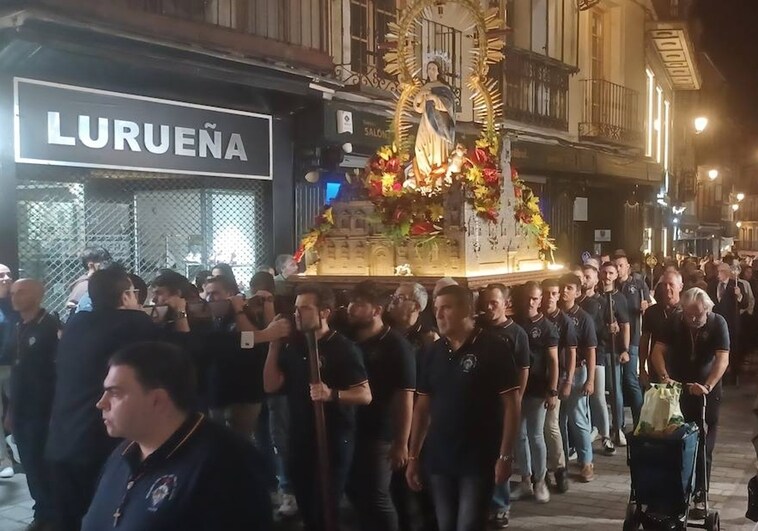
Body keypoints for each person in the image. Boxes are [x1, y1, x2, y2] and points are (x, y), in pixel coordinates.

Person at [45, 267, 188, 531]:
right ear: (125, 296)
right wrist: (177, 312)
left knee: (69, 519)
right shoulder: (135, 323)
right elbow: (181, 354)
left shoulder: (75, 324)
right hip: (101, 442)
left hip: (63, 439)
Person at [82, 342, 272, 530]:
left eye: (114, 393)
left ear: (157, 400)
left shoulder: (227, 464)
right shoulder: (123, 454)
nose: (101, 403)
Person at [406, 285, 520, 531]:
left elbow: (511, 404)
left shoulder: (493, 347)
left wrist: (506, 455)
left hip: (477, 458)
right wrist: (413, 456)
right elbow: (422, 408)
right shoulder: (431, 353)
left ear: (467, 309)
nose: (439, 315)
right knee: (446, 524)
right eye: (436, 309)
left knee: (468, 524)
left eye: (446, 308)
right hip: (440, 457)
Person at [263, 283, 371, 531]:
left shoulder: (343, 348)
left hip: (332, 439)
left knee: (326, 509)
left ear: (324, 312)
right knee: (307, 507)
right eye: (296, 309)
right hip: (300, 438)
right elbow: (271, 385)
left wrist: (331, 393)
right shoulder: (295, 346)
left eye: (305, 308)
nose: (297, 314)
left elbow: (364, 395)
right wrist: (273, 344)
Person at [650, 288, 729, 518]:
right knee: (676, 439)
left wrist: (708, 385)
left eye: (697, 315)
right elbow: (658, 351)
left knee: (704, 443)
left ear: (707, 309)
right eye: (688, 315)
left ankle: (700, 494)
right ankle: (676, 490)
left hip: (706, 391)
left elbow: (722, 358)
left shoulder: (718, 323)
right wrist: (664, 376)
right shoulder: (675, 321)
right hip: (679, 387)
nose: (693, 319)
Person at [346, 281, 416, 531]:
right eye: (351, 302)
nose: (351, 309)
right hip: (352, 428)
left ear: (376, 310)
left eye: (359, 304)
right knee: (354, 491)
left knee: (377, 497)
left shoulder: (396, 346)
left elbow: (405, 396)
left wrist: (401, 442)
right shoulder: (348, 339)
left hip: (381, 433)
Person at [2, 279, 58, 531]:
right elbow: (15, 368)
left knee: (44, 463)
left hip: (43, 408)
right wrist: (10, 411)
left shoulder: (50, 327)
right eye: (13, 293)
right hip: (21, 406)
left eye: (21, 292)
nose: (15, 297)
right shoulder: (16, 326)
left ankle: (54, 513)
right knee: (30, 462)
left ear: (38, 294)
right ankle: (42, 510)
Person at [386, 283, 439, 531]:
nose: (393, 302)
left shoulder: (429, 338)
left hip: (420, 417)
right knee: (396, 482)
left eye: (399, 298)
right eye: (394, 297)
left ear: (416, 306)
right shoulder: (385, 332)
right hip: (392, 415)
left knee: (422, 481)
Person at [477, 283, 529, 529]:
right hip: (480, 402)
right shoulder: (479, 330)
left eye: (493, 303)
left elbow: (523, 369)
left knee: (502, 453)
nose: (488, 308)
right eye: (485, 303)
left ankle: (500, 505)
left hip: (504, 403)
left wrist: (517, 399)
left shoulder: (516, 333)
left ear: (505, 304)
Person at [512, 281, 559, 503]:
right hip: (516, 388)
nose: (530, 303)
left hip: (538, 388)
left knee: (536, 434)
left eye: (535, 299)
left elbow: (553, 361)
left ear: (540, 300)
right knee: (518, 436)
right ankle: (525, 480)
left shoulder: (547, 327)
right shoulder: (516, 323)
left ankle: (540, 480)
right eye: (527, 298)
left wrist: (553, 390)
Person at [204, 275, 266, 438]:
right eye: (207, 294)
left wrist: (237, 310)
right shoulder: (209, 318)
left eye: (215, 293)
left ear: (230, 293)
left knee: (240, 443)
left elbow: (252, 340)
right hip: (218, 391)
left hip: (245, 392)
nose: (210, 298)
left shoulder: (245, 313)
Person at [558, 274, 597, 483]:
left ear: (577, 292)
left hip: (578, 372)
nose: (565, 291)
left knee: (577, 417)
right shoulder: (553, 315)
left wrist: (590, 379)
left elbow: (591, 351)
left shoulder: (583, 318)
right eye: (562, 287)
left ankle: (586, 461)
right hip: (557, 372)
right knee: (558, 419)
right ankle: (561, 459)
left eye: (569, 288)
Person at [541, 278, 577, 494]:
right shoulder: (534, 317)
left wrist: (568, 380)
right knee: (537, 430)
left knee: (552, 426)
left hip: (557, 376)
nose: (550, 298)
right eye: (546, 293)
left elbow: (572, 352)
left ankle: (560, 469)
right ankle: (541, 470)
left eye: (554, 293)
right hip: (537, 378)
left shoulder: (565, 322)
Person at [597, 262, 631, 448]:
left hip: (613, 350)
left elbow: (625, 324)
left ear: (616, 275)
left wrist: (624, 349)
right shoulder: (596, 298)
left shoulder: (620, 299)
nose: (607, 276)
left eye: (611, 273)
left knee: (615, 390)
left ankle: (618, 427)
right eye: (604, 273)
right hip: (598, 350)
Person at [613, 254, 645, 430]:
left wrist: (645, 305)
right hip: (613, 341)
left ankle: (639, 422)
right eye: (616, 266)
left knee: (631, 379)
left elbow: (647, 302)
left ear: (627, 268)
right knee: (616, 384)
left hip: (632, 338)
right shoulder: (611, 287)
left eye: (621, 266)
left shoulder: (638, 285)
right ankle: (618, 424)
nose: (618, 269)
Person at [640, 271, 683, 387]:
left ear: (680, 286)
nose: (667, 288)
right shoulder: (651, 312)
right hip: (655, 367)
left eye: (671, 284)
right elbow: (645, 340)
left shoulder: (686, 311)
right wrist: (642, 368)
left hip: (681, 366)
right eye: (664, 285)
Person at [707, 262, 747, 384]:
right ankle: (719, 376)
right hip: (716, 322)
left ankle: (734, 374)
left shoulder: (736, 285)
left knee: (732, 349)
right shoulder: (712, 285)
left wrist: (739, 295)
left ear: (727, 273)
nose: (718, 274)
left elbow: (744, 303)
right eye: (717, 271)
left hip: (731, 323)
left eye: (721, 271)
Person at [0, 263, 15, 478]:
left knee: (21, 407)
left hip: (14, 366)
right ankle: (3, 460)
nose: (5, 278)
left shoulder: (14, 304)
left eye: (8, 274)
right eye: (1, 275)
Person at [67, 247, 112, 315]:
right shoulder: (84, 285)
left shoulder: (103, 282)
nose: (106, 265)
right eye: (102, 262)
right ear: (91, 265)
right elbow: (72, 310)